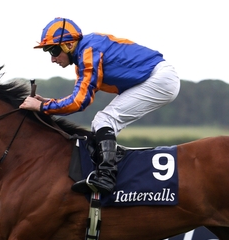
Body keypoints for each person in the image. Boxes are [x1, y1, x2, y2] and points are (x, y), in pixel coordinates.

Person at [19, 17, 180, 195]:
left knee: (104, 120)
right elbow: (78, 97)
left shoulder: (88, 51)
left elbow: (79, 102)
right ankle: (107, 170)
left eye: (54, 50)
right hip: (158, 78)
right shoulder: (84, 53)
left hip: (160, 79)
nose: (52, 58)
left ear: (69, 45)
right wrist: (48, 103)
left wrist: (42, 108)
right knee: (101, 123)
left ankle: (107, 177)